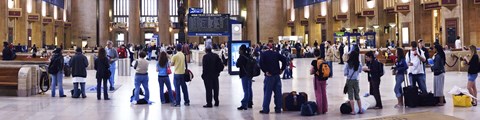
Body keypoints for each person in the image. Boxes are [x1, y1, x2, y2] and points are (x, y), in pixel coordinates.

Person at [259, 43, 287, 114]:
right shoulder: (275, 53)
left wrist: (265, 71)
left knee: (267, 93)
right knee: (278, 93)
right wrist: (282, 69)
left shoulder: (263, 54)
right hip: (277, 76)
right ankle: (278, 108)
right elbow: (284, 59)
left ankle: (265, 109)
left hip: (269, 76)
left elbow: (261, 64)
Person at [236, 45, 254, 110]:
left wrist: (239, 58)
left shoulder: (242, 57)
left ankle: (244, 104)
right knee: (249, 89)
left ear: (242, 50)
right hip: (250, 74)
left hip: (244, 74)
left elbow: (237, 65)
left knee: (246, 90)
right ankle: (250, 102)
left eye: (239, 49)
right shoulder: (249, 55)